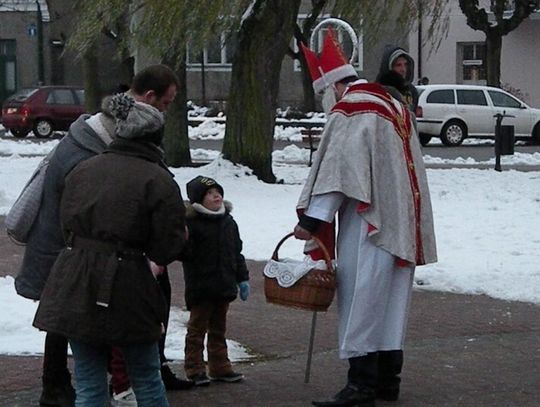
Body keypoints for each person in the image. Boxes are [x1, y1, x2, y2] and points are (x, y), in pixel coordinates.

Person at [14, 64, 187, 407]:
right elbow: (167, 244)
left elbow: (65, 221)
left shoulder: (83, 164)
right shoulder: (157, 179)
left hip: (75, 281)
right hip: (127, 286)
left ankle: (57, 386)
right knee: (147, 379)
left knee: (90, 383)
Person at [297, 30, 437, 407]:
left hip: (367, 221)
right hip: (400, 221)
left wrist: (312, 220)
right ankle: (387, 380)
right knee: (390, 302)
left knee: (362, 297)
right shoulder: (393, 104)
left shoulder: (352, 106)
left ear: (331, 88)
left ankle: (361, 385)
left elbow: (340, 170)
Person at [182, 176, 250, 386]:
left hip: (224, 286)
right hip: (201, 287)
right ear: (199, 200)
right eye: (210, 194)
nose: (216, 196)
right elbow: (184, 253)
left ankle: (220, 366)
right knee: (197, 330)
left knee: (219, 329)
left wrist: (242, 278)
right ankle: (194, 368)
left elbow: (236, 253)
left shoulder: (228, 222)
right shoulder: (191, 224)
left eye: (218, 192)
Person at [376, 46, 419, 114]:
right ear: (389, 67)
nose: (403, 69)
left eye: (406, 64)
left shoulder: (411, 91)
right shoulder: (378, 91)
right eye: (398, 65)